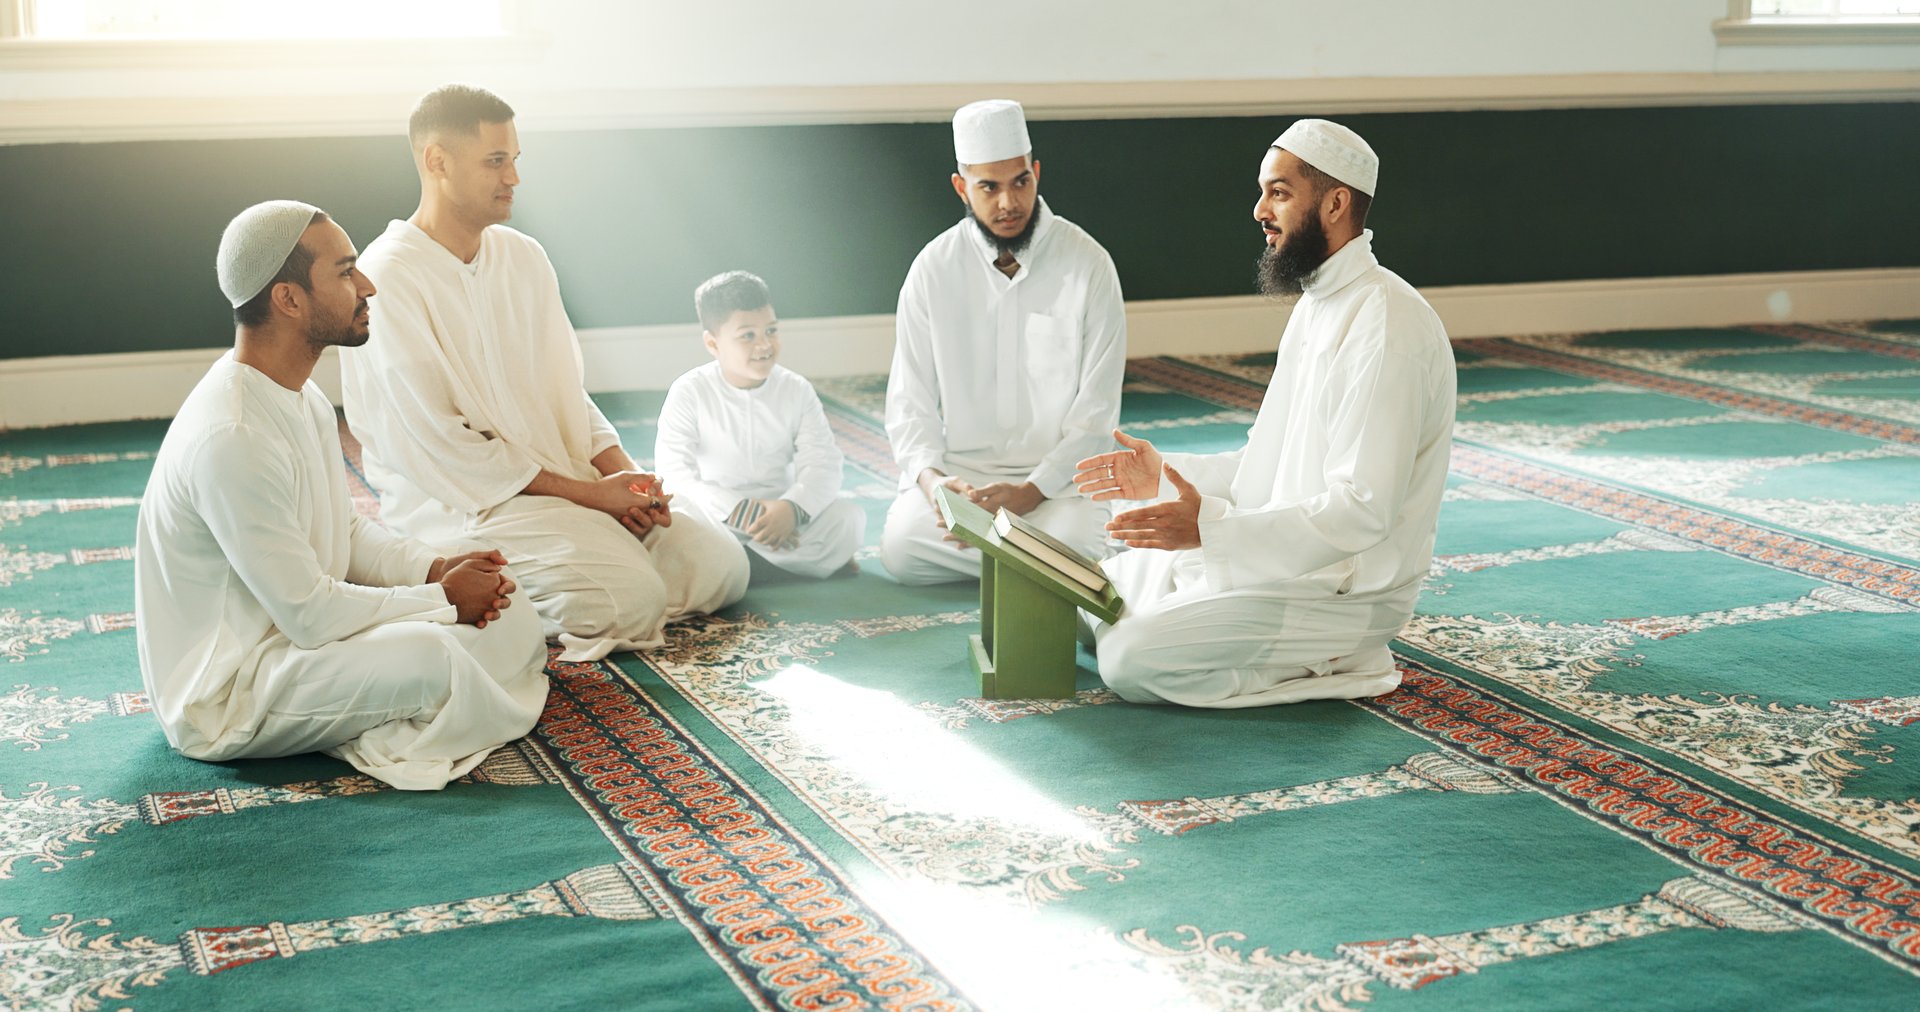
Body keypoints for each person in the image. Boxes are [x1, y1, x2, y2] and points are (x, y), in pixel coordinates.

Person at [134, 200, 548, 790]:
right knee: (433, 656)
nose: (368, 286)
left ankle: (425, 711)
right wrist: (442, 600)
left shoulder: (298, 395)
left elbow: (343, 531)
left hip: (304, 645)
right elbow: (309, 614)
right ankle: (413, 714)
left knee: (512, 607)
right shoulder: (233, 435)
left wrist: (436, 567)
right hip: (233, 690)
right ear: (289, 299)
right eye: (346, 272)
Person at [340, 85, 748, 661]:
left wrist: (626, 480)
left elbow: (566, 395)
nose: (513, 177)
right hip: (466, 505)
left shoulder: (523, 256)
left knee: (721, 566)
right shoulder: (388, 276)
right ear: (437, 161)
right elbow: (440, 450)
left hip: (566, 481)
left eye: (514, 159)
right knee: (628, 601)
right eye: (495, 161)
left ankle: (599, 565)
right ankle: (458, 584)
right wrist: (592, 497)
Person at [1073, 119, 1456, 708]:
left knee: (1129, 658)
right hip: (1277, 560)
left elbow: (1363, 509)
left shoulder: (1386, 323)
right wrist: (1163, 476)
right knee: (1088, 594)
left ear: (1335, 204)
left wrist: (1211, 530)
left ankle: (1340, 662)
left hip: (1344, 594)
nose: (1259, 211)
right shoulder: (1318, 303)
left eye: (1279, 193)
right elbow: (1265, 464)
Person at [881, 98, 1126, 585]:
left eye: (1020, 182)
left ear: (1036, 174)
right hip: (964, 480)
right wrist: (934, 484)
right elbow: (910, 402)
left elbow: (1097, 415)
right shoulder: (933, 269)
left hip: (1060, 484)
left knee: (1075, 548)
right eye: (988, 188)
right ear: (962, 188)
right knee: (902, 550)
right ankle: (1034, 567)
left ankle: (1023, 558)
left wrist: (1031, 492)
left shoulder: (1088, 264)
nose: (1009, 203)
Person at [654, 271, 865, 579]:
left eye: (771, 330)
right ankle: (786, 565)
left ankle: (741, 569)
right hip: (720, 516)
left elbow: (823, 463)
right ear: (713, 343)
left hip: (784, 516)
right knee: (674, 525)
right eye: (747, 336)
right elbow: (675, 474)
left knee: (848, 518)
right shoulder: (689, 391)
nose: (764, 345)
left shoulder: (796, 389)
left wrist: (792, 509)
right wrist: (744, 513)